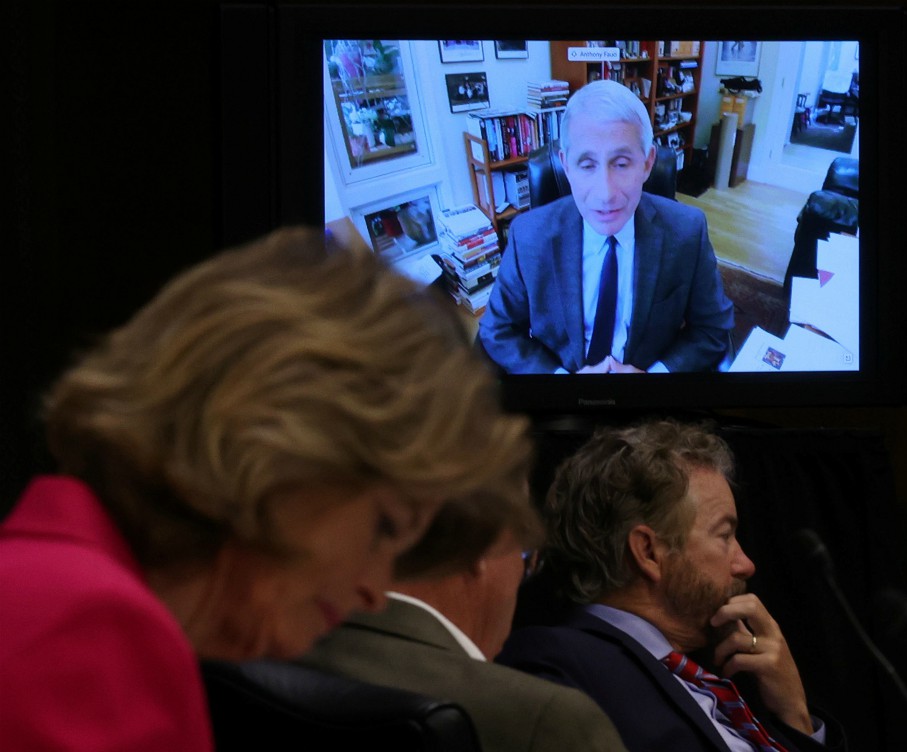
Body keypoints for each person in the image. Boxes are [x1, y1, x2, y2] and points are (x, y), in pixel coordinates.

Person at [0, 226, 533, 750]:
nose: (374, 592)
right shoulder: (85, 635)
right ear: (287, 445)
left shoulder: (76, 586)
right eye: (384, 528)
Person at [497, 419, 846, 752]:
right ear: (649, 552)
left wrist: (795, 714)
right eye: (724, 536)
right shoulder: (556, 664)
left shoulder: (736, 677)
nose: (746, 564)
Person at [301, 510, 628, 752]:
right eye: (525, 556)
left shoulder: (275, 649)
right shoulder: (549, 721)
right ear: (482, 547)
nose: (522, 575)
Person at [477, 80, 733, 374]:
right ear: (566, 166)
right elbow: (498, 331)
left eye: (622, 164)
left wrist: (657, 377)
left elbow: (712, 330)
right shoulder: (528, 236)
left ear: (647, 163)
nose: (605, 193)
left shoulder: (688, 231)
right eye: (587, 165)